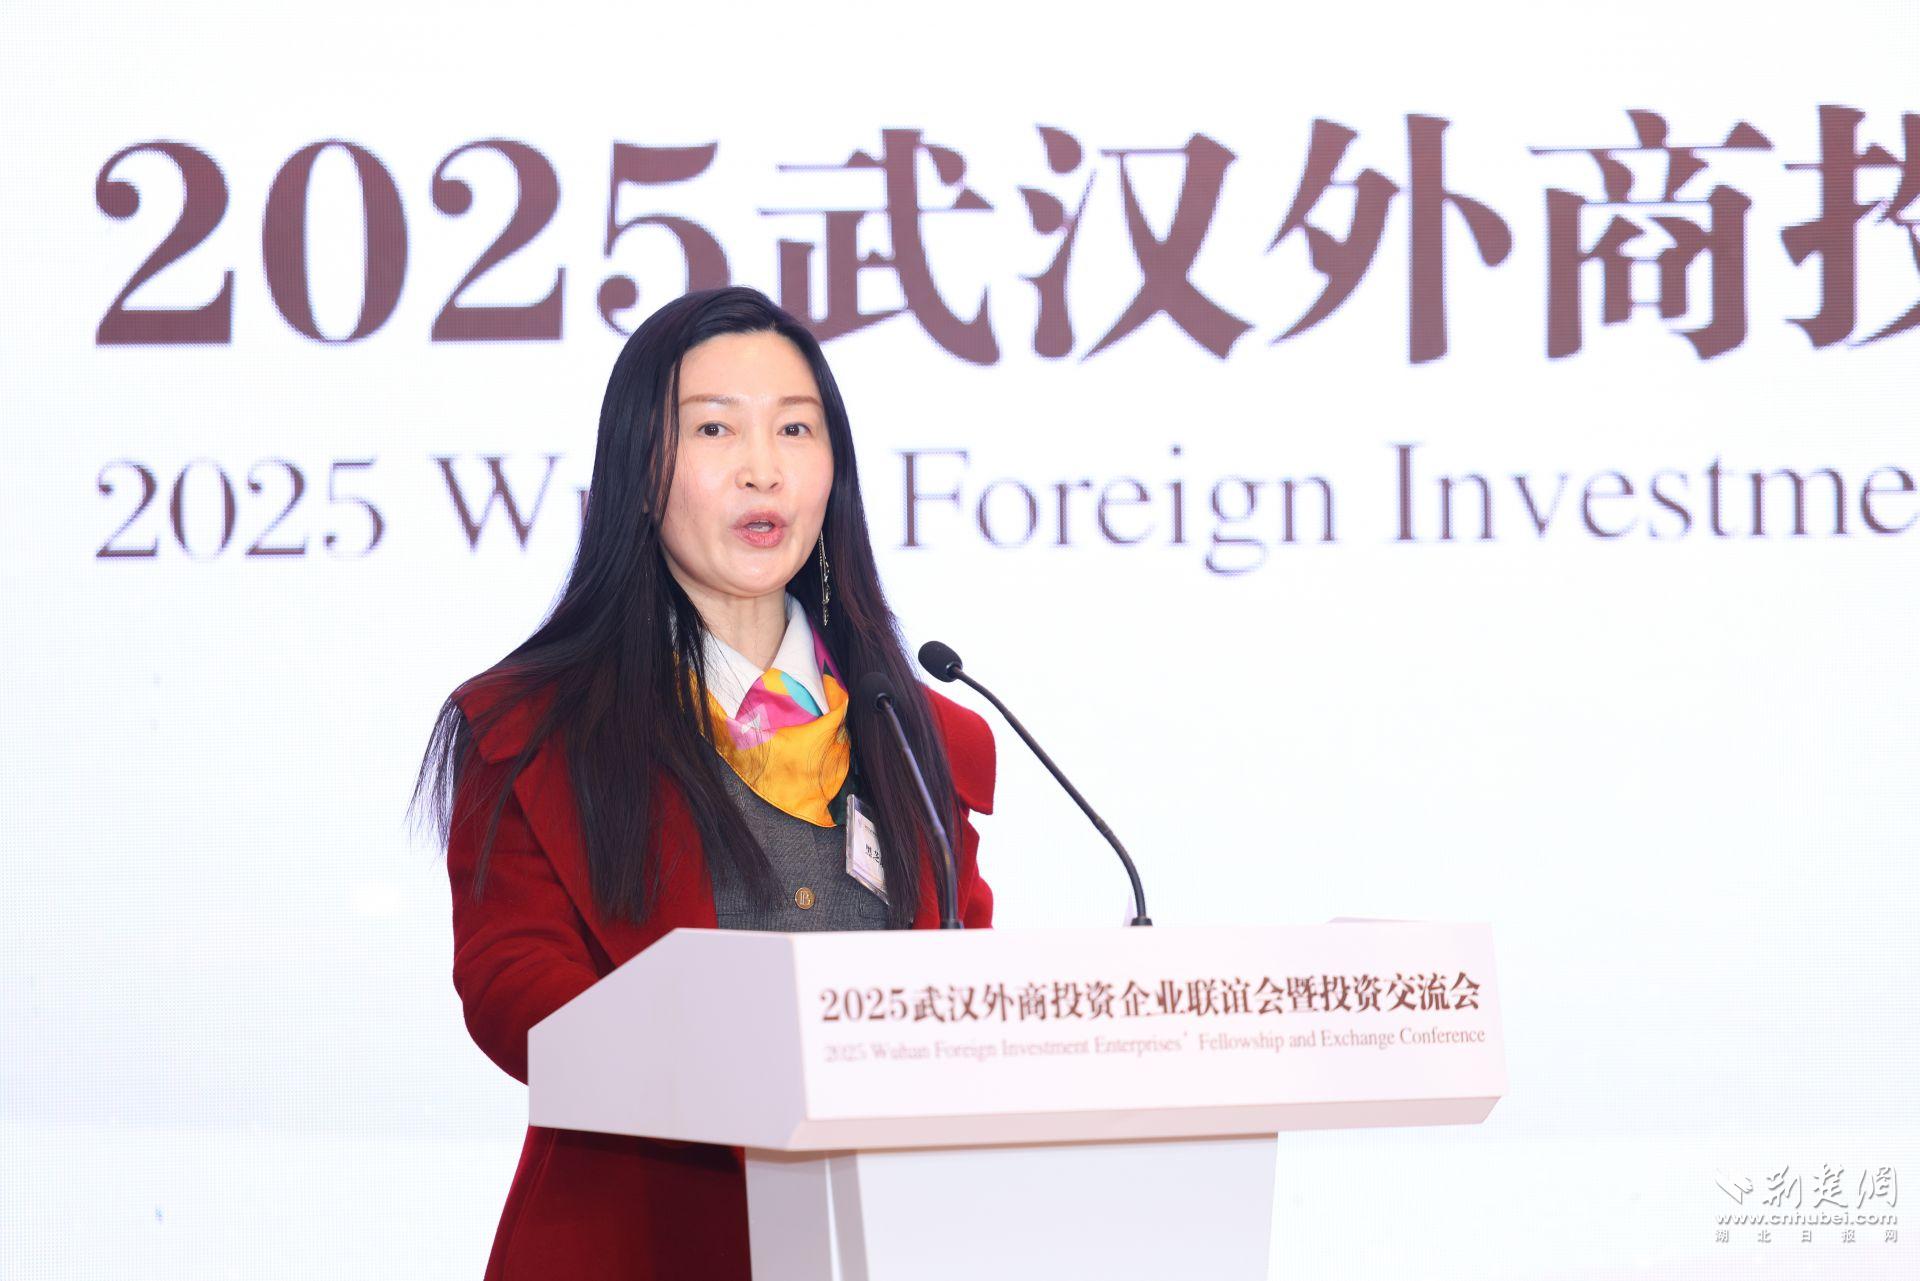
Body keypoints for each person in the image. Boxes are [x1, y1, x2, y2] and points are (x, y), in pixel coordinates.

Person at [413, 286, 996, 1279]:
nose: (763, 468)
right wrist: (705, 1064)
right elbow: (512, 980)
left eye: (796, 429)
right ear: (641, 471)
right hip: (640, 1240)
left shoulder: (919, 733)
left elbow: (963, 979)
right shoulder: (531, 729)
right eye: (716, 428)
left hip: (885, 1243)